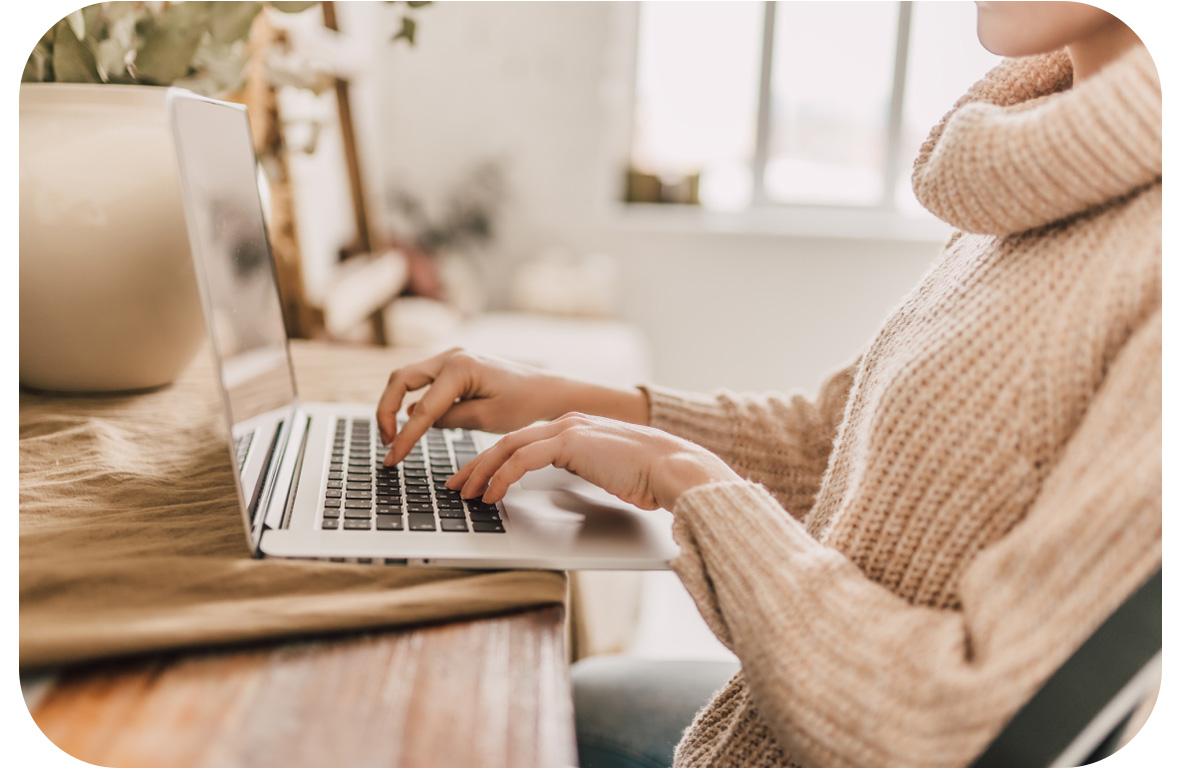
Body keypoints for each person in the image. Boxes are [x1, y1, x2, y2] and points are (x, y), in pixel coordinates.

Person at [374, 2, 1161, 766]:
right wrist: (574, 402)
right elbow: (842, 440)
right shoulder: (1035, 162)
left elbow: (956, 729)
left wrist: (686, 483)